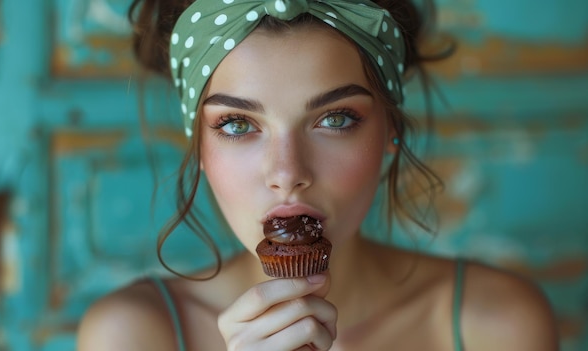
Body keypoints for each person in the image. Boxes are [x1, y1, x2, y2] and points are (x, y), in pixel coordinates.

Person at [76, 0, 559, 350]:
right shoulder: (132, 335)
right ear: (200, 144)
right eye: (238, 124)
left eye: (335, 119)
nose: (288, 173)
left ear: (389, 129)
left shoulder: (497, 326)